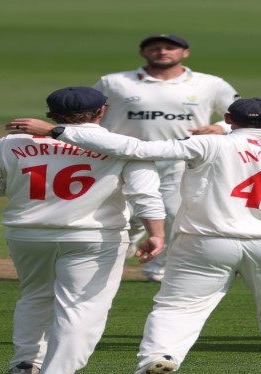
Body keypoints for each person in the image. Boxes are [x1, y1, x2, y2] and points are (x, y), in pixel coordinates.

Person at [8, 96, 261, 374]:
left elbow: (135, 148)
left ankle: (159, 355)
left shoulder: (210, 142)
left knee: (177, 307)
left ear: (229, 119)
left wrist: (58, 130)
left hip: (205, 242)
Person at [0, 86, 166, 374]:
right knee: (83, 308)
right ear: (101, 111)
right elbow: (144, 195)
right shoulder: (124, 147)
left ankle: (26, 362)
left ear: (50, 112)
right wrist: (155, 232)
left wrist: (23, 187)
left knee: (35, 296)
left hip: (27, 234)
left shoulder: (12, 142)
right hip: (94, 236)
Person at [93, 34, 241, 282]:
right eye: (155, 48)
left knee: (174, 214)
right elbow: (87, 111)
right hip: (126, 157)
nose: (162, 52)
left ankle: (159, 267)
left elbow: (239, 112)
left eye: (170, 48)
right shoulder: (114, 82)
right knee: (123, 212)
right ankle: (121, 250)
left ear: (185, 53)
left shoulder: (210, 83)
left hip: (180, 158)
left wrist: (220, 128)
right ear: (143, 53)